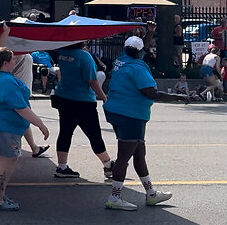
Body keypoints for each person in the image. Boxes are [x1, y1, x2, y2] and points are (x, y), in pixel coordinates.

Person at [103, 36, 187, 211]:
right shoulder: (138, 68)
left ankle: (151, 194)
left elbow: (138, 48)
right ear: (140, 52)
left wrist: (149, 34)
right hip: (130, 114)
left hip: (115, 110)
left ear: (126, 48)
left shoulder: (121, 60)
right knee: (123, 157)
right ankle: (114, 197)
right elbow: (151, 93)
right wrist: (179, 96)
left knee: (139, 153)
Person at [0, 47, 50, 211]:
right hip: (4, 126)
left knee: (9, 160)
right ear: (5, 63)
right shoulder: (6, 81)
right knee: (4, 163)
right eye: (12, 59)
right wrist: (41, 125)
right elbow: (21, 108)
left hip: (0, 125)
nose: (15, 61)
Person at [51, 41, 113, 180]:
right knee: (94, 134)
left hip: (64, 96)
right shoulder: (84, 56)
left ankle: (62, 166)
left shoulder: (62, 53)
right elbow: (92, 80)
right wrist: (103, 97)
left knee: (65, 132)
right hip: (83, 100)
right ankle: (108, 164)